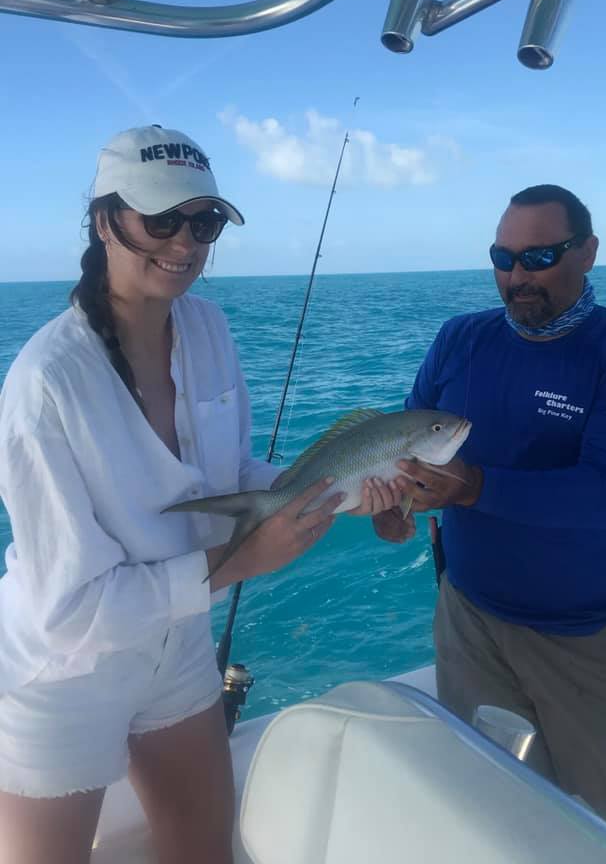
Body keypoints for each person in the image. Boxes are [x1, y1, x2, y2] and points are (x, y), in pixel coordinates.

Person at [0, 125, 399, 864]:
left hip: (177, 649)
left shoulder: (208, 326)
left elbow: (231, 477)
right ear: (103, 221)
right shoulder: (44, 386)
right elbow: (70, 611)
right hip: (63, 673)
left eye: (204, 220)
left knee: (203, 850)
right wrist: (237, 567)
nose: (184, 241)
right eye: (161, 219)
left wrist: (331, 489)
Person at [374, 184, 606, 835]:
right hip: (468, 622)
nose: (517, 277)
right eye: (503, 257)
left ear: (588, 252)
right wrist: (395, 502)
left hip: (594, 639)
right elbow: (407, 444)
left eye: (539, 257)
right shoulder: (460, 338)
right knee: (490, 811)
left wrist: (476, 486)